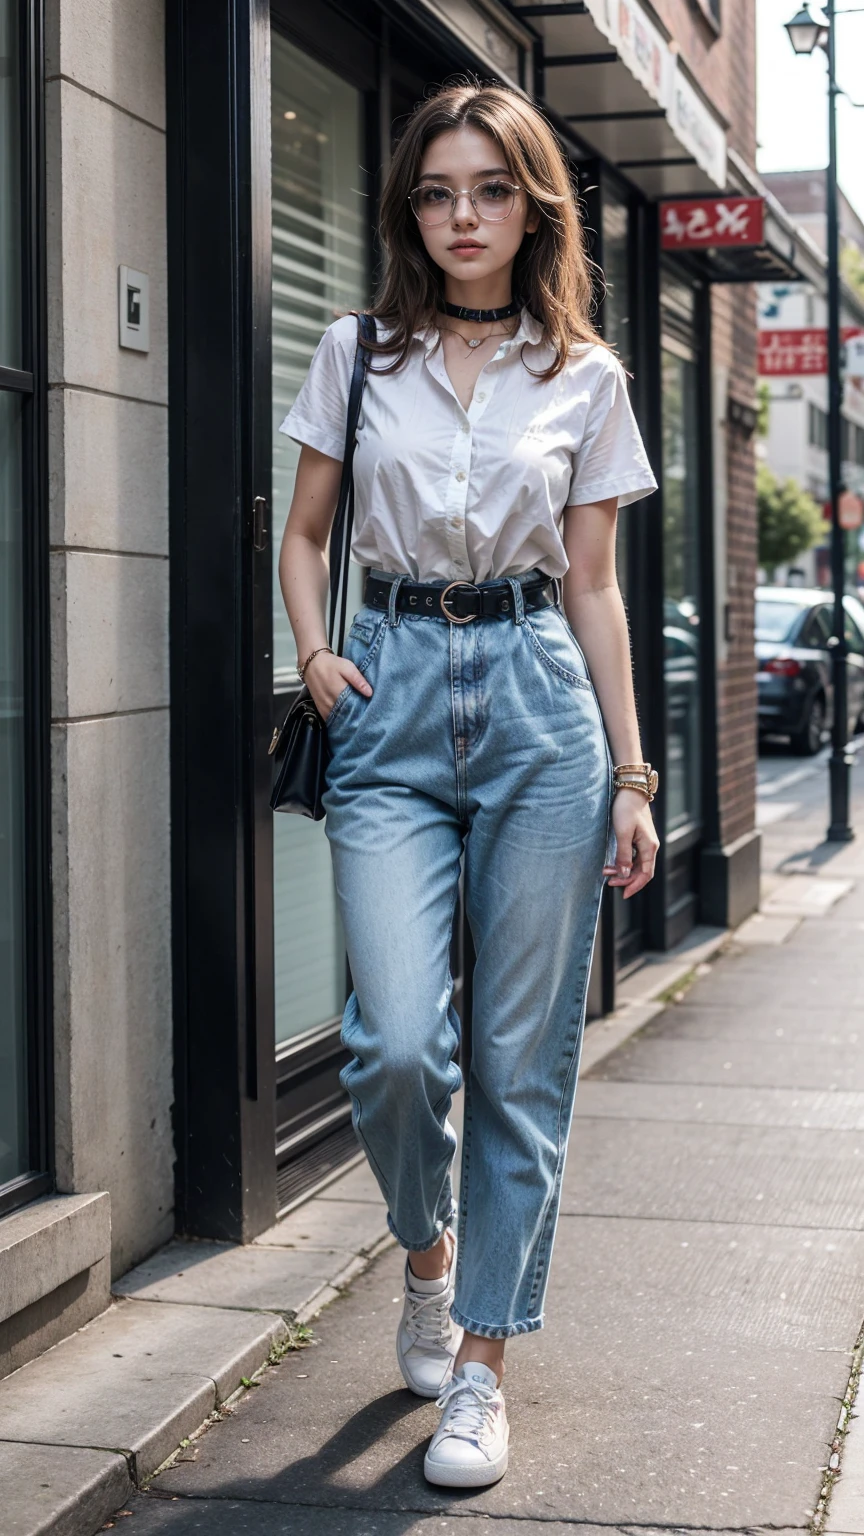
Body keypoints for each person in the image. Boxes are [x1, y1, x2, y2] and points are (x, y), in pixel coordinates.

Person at [278, 81, 660, 1490]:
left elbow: (601, 588)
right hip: (384, 693)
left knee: (518, 1063)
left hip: (539, 700)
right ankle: (429, 1264)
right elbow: (308, 533)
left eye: (490, 190)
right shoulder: (354, 351)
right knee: (391, 1048)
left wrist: (631, 772)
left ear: (531, 204)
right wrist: (314, 653)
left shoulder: (588, 375)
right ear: (410, 211)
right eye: (438, 193)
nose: (462, 217)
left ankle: (481, 1368)